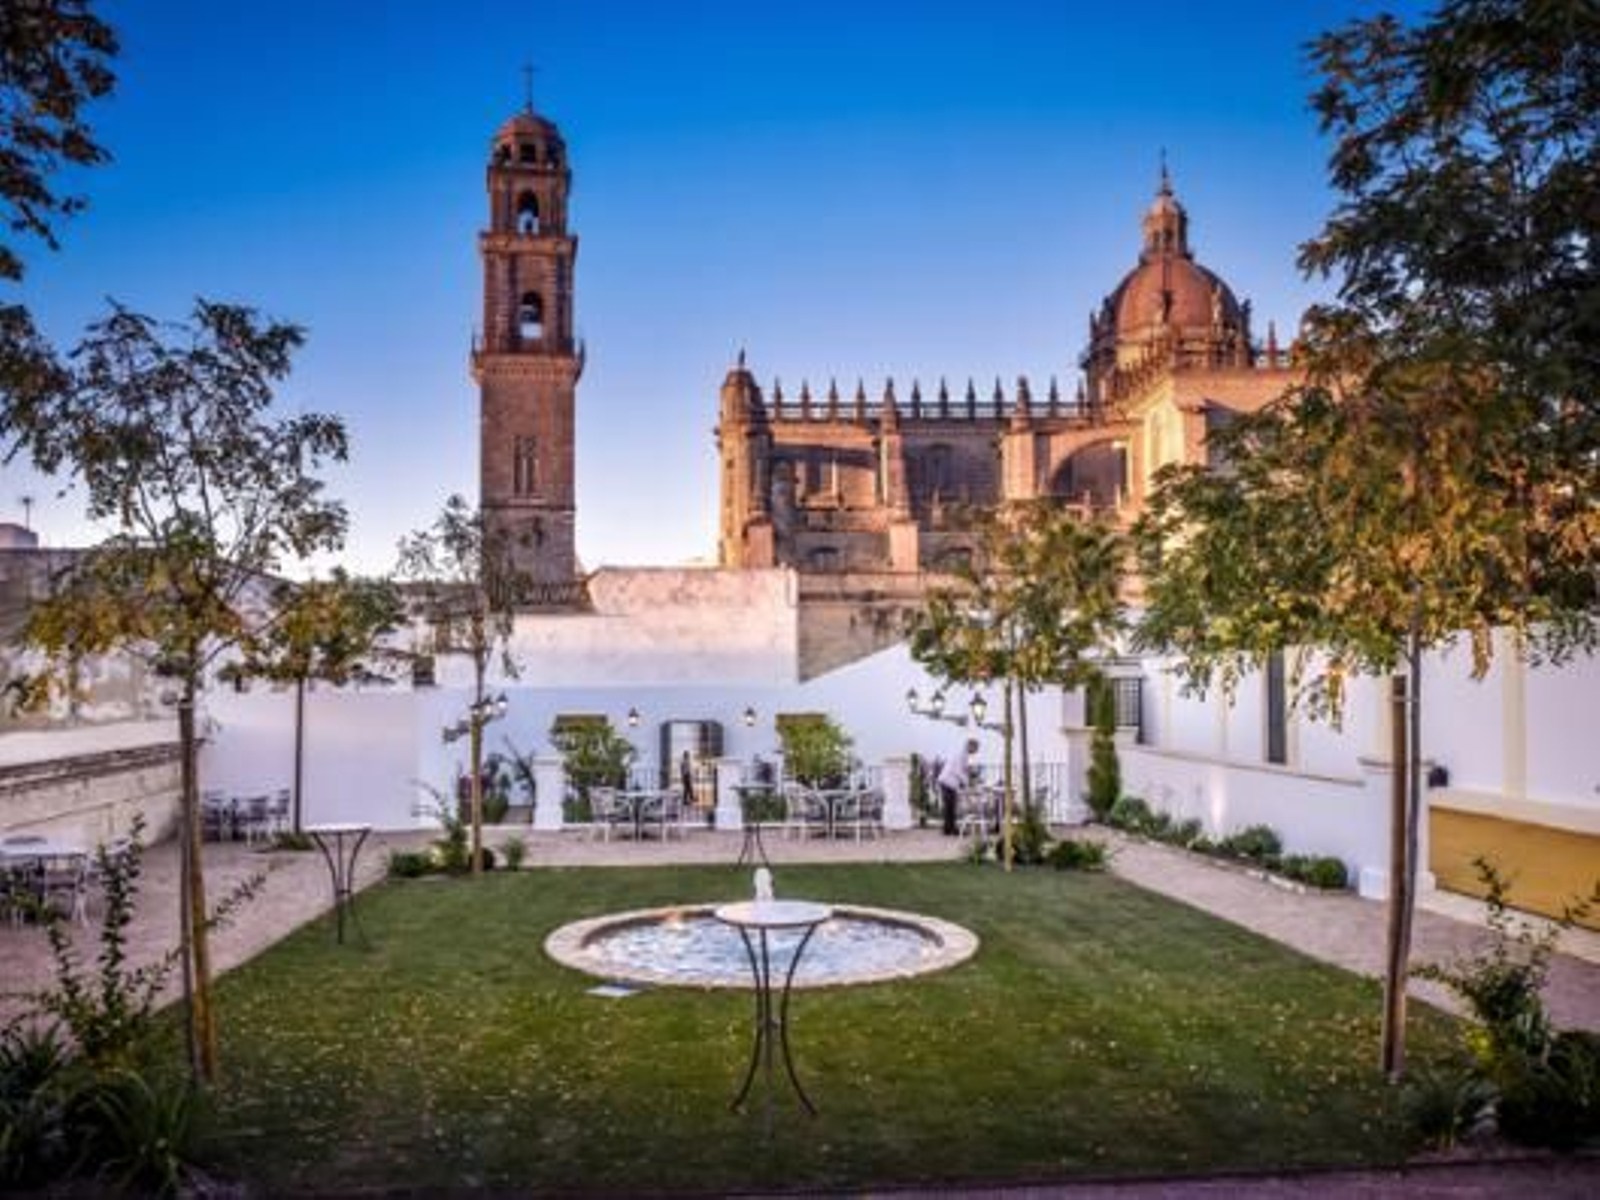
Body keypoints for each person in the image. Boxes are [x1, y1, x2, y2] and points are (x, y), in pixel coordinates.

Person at [937, 738, 980, 836]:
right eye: (975, 749)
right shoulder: (961, 755)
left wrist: (967, 778)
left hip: (948, 782)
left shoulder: (963, 755)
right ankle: (949, 829)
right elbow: (958, 771)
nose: (975, 752)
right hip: (947, 782)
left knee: (950, 807)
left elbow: (962, 770)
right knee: (950, 807)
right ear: (970, 746)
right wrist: (967, 782)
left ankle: (948, 829)